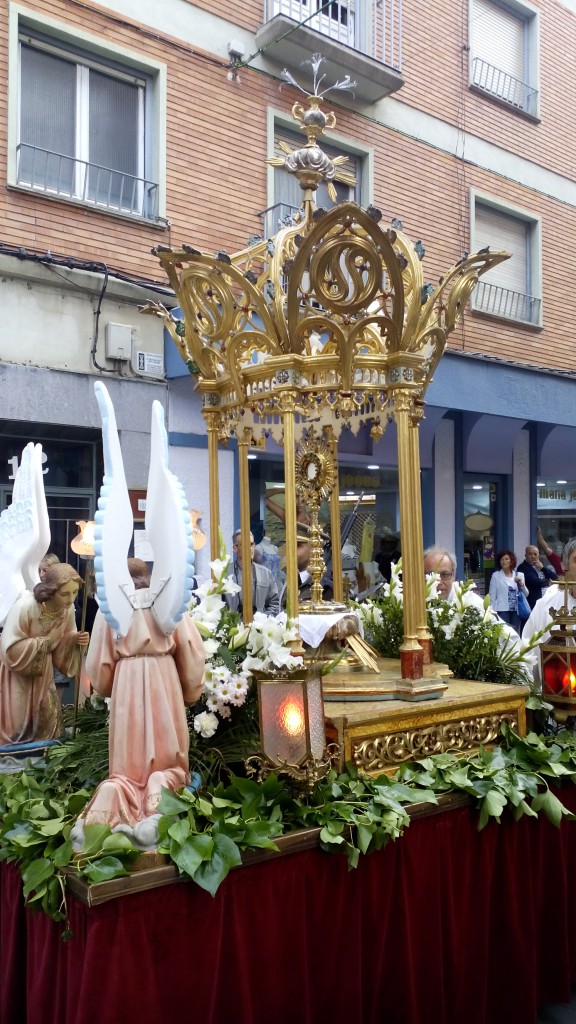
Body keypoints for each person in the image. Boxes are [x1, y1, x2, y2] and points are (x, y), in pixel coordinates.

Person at [80, 558, 206, 828]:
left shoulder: (110, 605)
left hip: (127, 682)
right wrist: (189, 690)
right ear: (147, 575)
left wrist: (109, 685)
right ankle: (162, 782)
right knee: (167, 751)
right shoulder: (168, 602)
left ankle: (119, 788)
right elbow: (193, 652)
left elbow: (97, 665)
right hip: (164, 679)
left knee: (128, 760)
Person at [0, 563, 89, 744]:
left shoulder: (67, 609)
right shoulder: (26, 606)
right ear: (50, 590)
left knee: (45, 722)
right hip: (18, 673)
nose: (71, 599)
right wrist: (47, 641)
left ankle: (42, 751)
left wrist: (75, 640)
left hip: (43, 673)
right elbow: (9, 648)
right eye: (64, 594)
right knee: (16, 725)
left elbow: (67, 636)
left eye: (74, 593)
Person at [225, 529, 279, 617]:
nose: (250, 549)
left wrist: (263, 621)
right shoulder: (225, 574)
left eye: (251, 544)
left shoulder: (265, 573)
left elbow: (274, 603)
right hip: (233, 628)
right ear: (235, 548)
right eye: (245, 545)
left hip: (259, 628)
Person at [488, 550, 528, 634]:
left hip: (516, 610)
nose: (503, 561)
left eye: (506, 559)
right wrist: (492, 612)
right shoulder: (496, 576)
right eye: (501, 559)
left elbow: (526, 594)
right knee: (504, 634)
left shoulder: (519, 575)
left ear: (511, 561)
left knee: (515, 633)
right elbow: (492, 595)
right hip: (502, 610)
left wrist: (521, 584)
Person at [517, 544, 557, 609]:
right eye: (530, 554)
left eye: (535, 554)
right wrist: (549, 582)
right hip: (533, 603)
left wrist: (543, 568)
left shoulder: (540, 566)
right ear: (525, 555)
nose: (533, 556)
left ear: (538, 555)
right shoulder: (522, 567)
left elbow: (555, 577)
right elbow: (535, 582)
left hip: (546, 601)